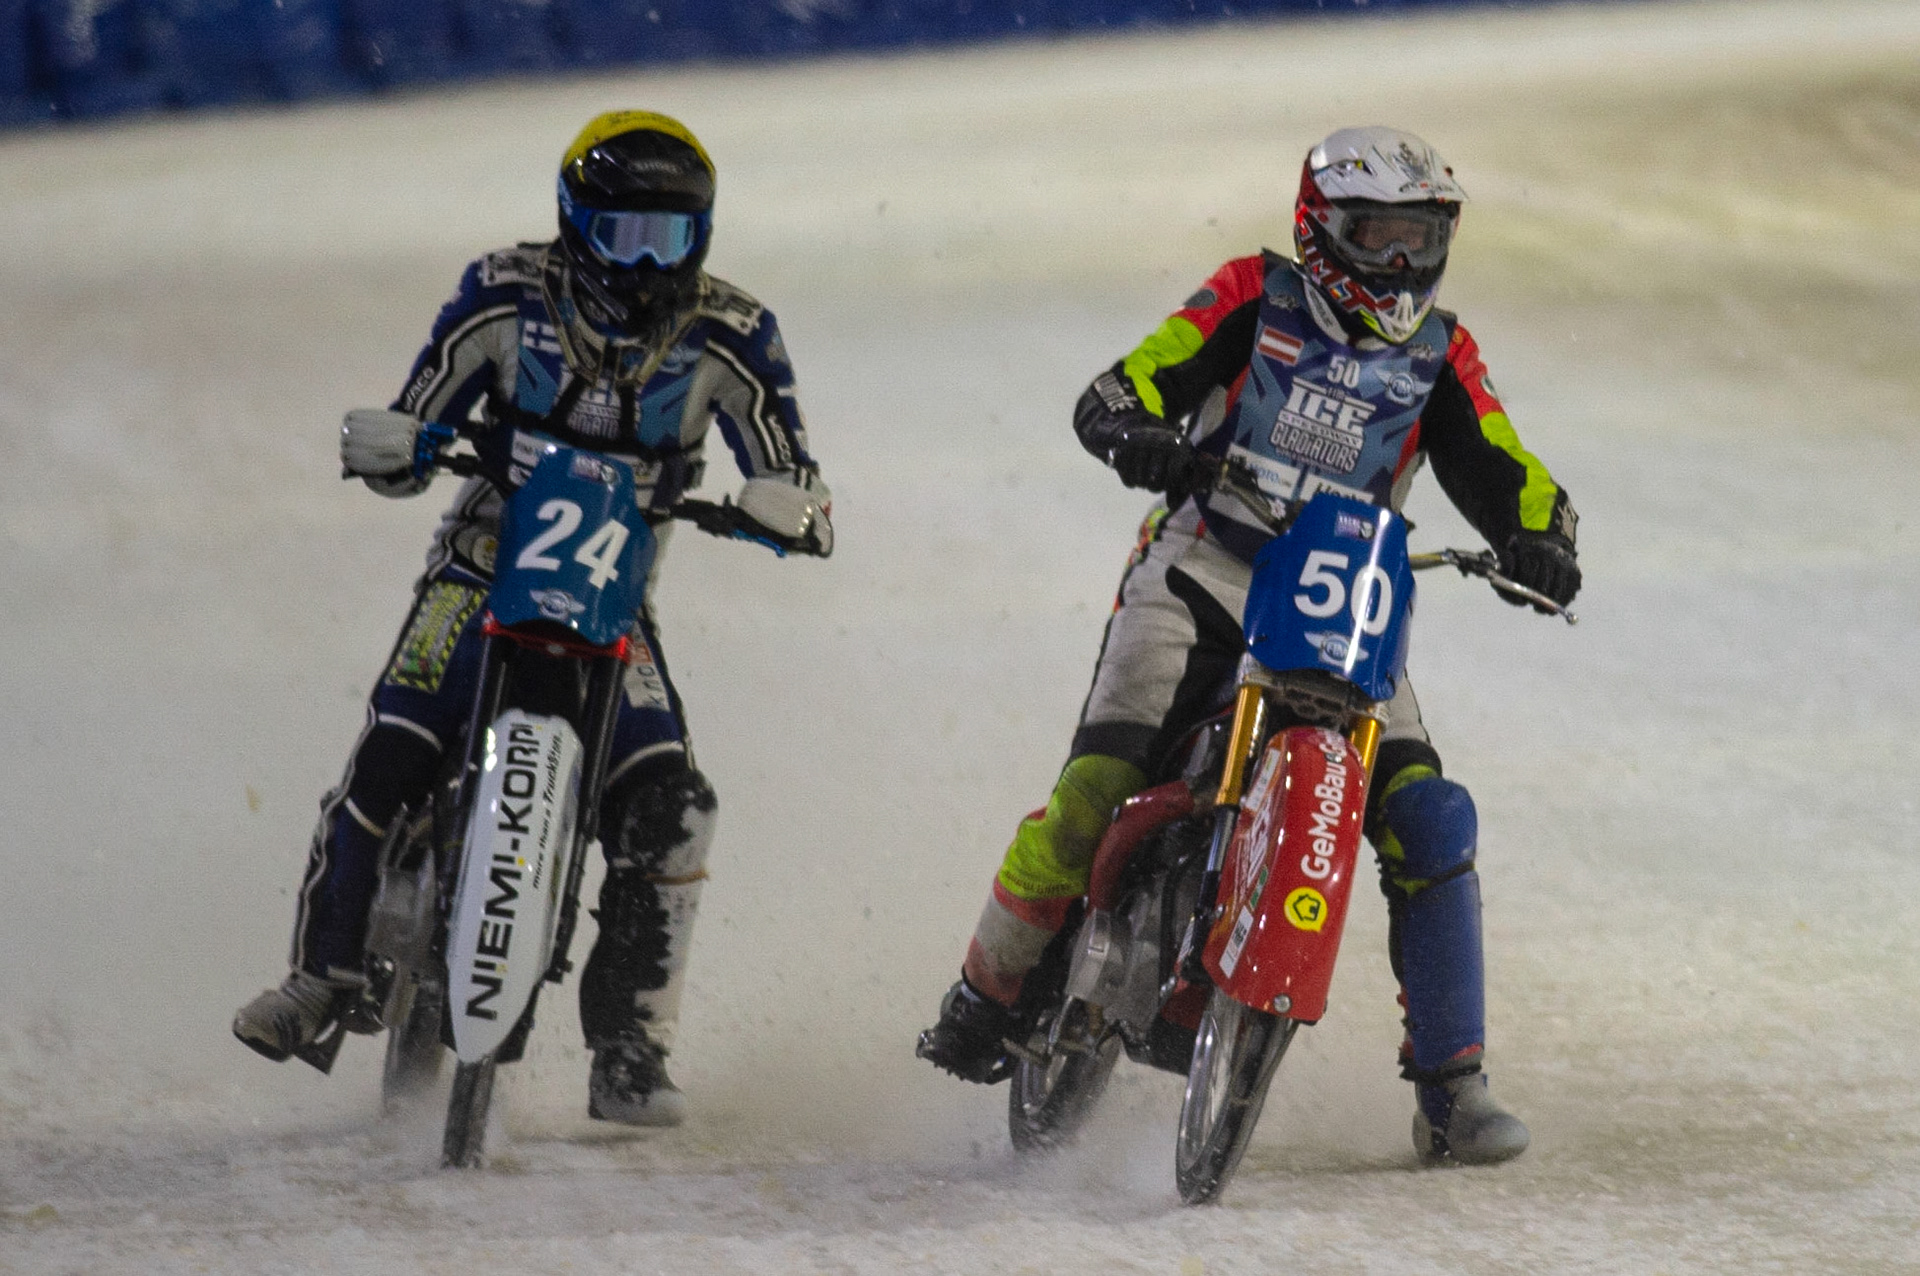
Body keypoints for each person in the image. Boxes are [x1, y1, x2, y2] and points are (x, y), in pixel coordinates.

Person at [917, 126, 1579, 1166]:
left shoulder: (1440, 352)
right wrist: (1129, 423)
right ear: (1321, 233)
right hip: (1203, 567)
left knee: (1431, 816)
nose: (1400, 265)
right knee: (1097, 788)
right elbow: (1134, 379)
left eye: (1421, 240)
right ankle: (986, 989)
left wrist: (1543, 533)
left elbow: (1502, 460)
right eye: (1379, 237)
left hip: (1348, 597)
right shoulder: (1251, 295)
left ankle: (1453, 1087)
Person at [233, 111, 833, 1127]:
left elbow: (793, 471)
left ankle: (631, 1047)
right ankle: (321, 976)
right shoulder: (502, 293)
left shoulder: (736, 333)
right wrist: (405, 446)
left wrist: (791, 509)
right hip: (477, 570)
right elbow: (419, 407)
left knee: (672, 802)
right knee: (390, 751)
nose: (643, 266)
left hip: (614, 600)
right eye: (620, 235)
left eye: (669, 240)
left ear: (705, 237)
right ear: (571, 223)